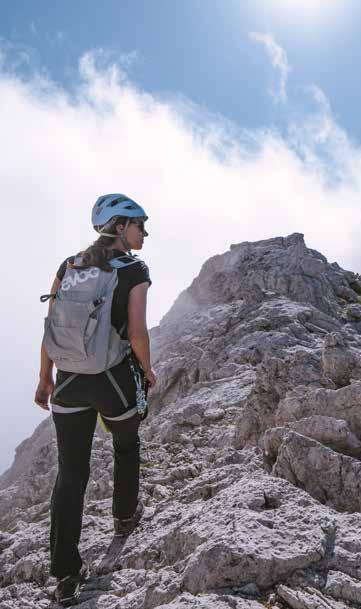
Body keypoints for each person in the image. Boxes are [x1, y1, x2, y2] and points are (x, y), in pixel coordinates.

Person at [33, 193, 158, 606]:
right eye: (139, 224)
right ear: (120, 226)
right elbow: (137, 333)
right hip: (111, 380)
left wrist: (45, 378)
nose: (144, 232)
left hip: (68, 382)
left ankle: (66, 574)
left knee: (71, 475)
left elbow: (52, 325)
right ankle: (124, 516)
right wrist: (148, 370)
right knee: (126, 443)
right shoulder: (134, 269)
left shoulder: (70, 265)